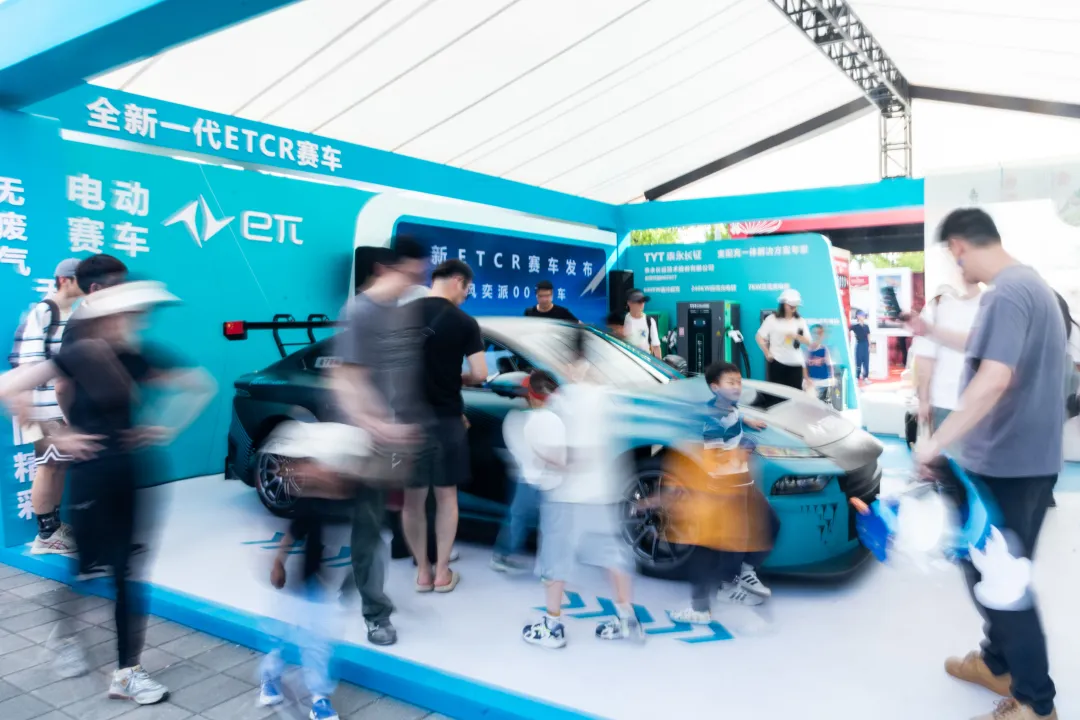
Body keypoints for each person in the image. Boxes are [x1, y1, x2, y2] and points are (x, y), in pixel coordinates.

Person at [0, 280, 215, 705]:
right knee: (86, 569)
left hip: (131, 473)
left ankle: (127, 672)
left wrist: (166, 427)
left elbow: (201, 384)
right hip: (92, 477)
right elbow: (8, 387)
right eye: (127, 315)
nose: (134, 322)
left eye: (137, 316)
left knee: (129, 572)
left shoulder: (137, 356)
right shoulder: (77, 355)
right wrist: (56, 436)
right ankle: (65, 637)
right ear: (104, 318)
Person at [914, 208, 1060, 720]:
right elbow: (981, 346)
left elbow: (994, 378)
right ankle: (997, 663)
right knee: (992, 571)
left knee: (1001, 581)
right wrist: (928, 329)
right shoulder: (1033, 288)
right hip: (1024, 463)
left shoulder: (1006, 293)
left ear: (958, 246)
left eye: (952, 256)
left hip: (1005, 465)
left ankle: (1035, 702)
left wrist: (936, 442)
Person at [331, 238, 431, 646]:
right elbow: (345, 379)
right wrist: (375, 423)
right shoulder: (359, 312)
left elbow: (403, 375)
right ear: (384, 269)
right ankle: (376, 614)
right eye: (409, 273)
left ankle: (352, 583)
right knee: (370, 524)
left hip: (396, 437)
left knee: (379, 521)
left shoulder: (402, 313)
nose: (414, 281)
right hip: (365, 440)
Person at [523, 328, 644, 649]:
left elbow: (560, 453)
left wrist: (540, 458)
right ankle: (626, 619)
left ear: (568, 361)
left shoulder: (564, 401)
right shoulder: (607, 396)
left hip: (567, 495)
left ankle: (552, 626)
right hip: (604, 493)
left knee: (555, 558)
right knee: (612, 555)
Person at [645, 361, 775, 622]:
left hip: (739, 483)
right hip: (721, 489)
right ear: (715, 388)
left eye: (739, 381)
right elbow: (715, 457)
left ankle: (734, 580)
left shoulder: (729, 408)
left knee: (767, 524)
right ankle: (704, 605)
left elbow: (733, 418)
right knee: (711, 547)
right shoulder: (713, 419)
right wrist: (742, 450)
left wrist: (746, 420)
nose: (737, 387)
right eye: (731, 382)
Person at [404, 259, 486, 593]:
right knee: (446, 497)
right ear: (457, 280)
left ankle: (422, 573)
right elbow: (480, 373)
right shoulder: (465, 322)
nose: (466, 296)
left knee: (412, 500)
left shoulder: (402, 315)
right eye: (467, 289)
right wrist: (457, 378)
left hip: (408, 422)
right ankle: (441, 573)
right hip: (447, 421)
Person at [8, 259, 84, 555]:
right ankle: (46, 534)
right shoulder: (44, 311)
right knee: (49, 466)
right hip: (43, 408)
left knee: (58, 466)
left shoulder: (70, 313)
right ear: (65, 280)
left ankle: (54, 526)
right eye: (81, 278)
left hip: (60, 407)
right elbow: (28, 365)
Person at [491, 370, 557, 573]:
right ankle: (503, 555)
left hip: (538, 476)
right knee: (520, 515)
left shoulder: (540, 416)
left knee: (530, 517)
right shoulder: (518, 418)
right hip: (529, 477)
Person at [910, 282, 983, 436]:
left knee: (943, 448)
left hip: (945, 401)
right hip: (983, 403)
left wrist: (923, 400)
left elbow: (925, 359)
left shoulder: (937, 307)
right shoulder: (992, 305)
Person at [756, 289, 810, 390]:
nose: (793, 308)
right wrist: (767, 352)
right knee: (777, 394)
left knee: (795, 394)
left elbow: (808, 341)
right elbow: (759, 336)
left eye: (795, 305)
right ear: (783, 304)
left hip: (796, 363)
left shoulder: (800, 321)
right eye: (790, 305)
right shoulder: (772, 319)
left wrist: (795, 336)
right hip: (777, 362)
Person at [622, 289, 661, 358]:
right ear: (629, 303)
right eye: (638, 301)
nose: (641, 304)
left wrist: (659, 363)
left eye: (643, 301)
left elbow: (656, 346)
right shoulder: (622, 320)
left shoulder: (649, 321)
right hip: (626, 359)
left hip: (643, 361)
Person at [803, 324, 834, 404]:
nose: (816, 336)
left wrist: (832, 378)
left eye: (819, 333)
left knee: (824, 405)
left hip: (824, 382)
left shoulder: (824, 349)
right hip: (812, 383)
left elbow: (830, 365)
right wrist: (807, 379)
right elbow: (804, 366)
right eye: (814, 333)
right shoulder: (807, 351)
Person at [850, 311, 871, 384]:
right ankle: (857, 377)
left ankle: (866, 377)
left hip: (865, 345)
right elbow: (847, 330)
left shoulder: (866, 326)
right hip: (859, 344)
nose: (863, 317)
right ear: (858, 316)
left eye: (864, 315)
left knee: (866, 362)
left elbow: (868, 335)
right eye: (862, 315)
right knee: (858, 362)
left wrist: (869, 345)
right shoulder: (855, 326)